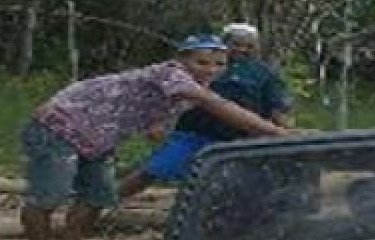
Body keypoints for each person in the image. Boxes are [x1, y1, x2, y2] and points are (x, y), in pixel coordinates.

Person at [19, 34, 290, 240]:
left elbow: (158, 114)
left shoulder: (196, 87)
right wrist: (276, 133)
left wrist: (155, 126)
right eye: (202, 62)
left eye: (219, 64)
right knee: (47, 196)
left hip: (97, 139)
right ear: (181, 60)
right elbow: (219, 106)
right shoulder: (173, 75)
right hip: (57, 128)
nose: (210, 69)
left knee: (98, 196)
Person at [119, 23, 293, 199]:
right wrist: (158, 123)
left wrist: (284, 132)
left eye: (248, 46)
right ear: (225, 43)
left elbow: (277, 106)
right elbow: (168, 97)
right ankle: (108, 201)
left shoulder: (265, 73)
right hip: (192, 133)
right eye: (236, 44)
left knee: (240, 183)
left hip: (240, 139)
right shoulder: (195, 66)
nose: (242, 49)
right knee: (155, 169)